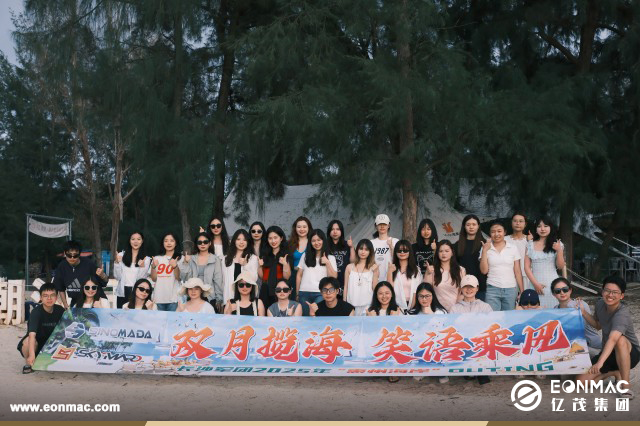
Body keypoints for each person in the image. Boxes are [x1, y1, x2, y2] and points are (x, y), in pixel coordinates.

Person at [577, 276, 639, 399]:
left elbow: (613, 339)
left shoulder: (622, 313)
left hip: (630, 353)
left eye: (615, 292)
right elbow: (597, 325)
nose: (610, 295)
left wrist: (600, 363)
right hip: (609, 352)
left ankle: (625, 386)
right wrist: (583, 312)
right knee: (580, 382)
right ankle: (615, 372)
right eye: (607, 290)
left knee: (620, 339)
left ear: (621, 296)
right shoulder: (600, 304)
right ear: (602, 291)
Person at [449, 275, 492, 385]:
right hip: (463, 343)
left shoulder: (485, 307)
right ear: (461, 289)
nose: (468, 289)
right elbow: (452, 329)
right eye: (465, 287)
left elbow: (491, 327)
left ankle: (481, 371)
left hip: (480, 343)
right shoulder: (455, 308)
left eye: (471, 287)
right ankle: (469, 369)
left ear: (477, 288)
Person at [18, 283, 65, 373]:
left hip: (51, 345)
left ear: (56, 297)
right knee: (27, 342)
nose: (49, 298)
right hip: (36, 345)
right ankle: (29, 363)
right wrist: (32, 355)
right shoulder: (36, 312)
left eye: (52, 295)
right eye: (45, 296)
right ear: (41, 298)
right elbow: (32, 335)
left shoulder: (60, 310)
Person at [407, 283, 448, 384]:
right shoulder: (412, 313)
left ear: (432, 296)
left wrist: (430, 314)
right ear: (417, 297)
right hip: (420, 345)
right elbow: (411, 333)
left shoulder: (441, 312)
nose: (424, 299)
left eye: (427, 296)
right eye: (421, 296)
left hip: (437, 345)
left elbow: (442, 331)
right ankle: (421, 368)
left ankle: (441, 371)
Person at [480, 221, 524, 311]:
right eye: (493, 232)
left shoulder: (513, 248)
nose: (496, 234)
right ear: (490, 234)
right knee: (493, 317)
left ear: (505, 232)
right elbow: (484, 271)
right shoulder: (485, 248)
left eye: (499, 231)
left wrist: (522, 290)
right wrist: (484, 251)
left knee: (509, 317)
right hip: (492, 288)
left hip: (510, 289)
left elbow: (517, 271)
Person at [52, 240, 108, 309]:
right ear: (65, 253)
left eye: (75, 255)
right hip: (77, 302)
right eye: (69, 255)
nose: (72, 258)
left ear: (79, 254)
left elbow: (105, 282)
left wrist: (102, 275)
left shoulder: (88, 264)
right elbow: (60, 288)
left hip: (95, 301)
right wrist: (65, 304)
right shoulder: (62, 266)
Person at [524, 217, 565, 309]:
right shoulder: (530, 244)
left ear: (551, 227)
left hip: (552, 283)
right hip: (534, 282)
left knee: (553, 310)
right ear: (536, 229)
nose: (542, 229)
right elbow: (526, 267)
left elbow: (560, 266)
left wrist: (559, 250)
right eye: (539, 226)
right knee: (534, 310)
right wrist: (536, 284)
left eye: (546, 226)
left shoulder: (557, 244)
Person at [551, 277, 602, 351]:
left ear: (570, 290)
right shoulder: (555, 310)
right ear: (553, 294)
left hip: (590, 345)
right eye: (557, 291)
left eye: (565, 289)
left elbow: (592, 326)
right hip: (570, 348)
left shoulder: (580, 304)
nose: (562, 293)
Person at [296, 229, 338, 316]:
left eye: (319, 240)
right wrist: (297, 293)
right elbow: (299, 275)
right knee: (305, 319)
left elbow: (334, 277)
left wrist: (327, 263)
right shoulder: (305, 256)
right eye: (313, 241)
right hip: (304, 292)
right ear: (310, 243)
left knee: (319, 317)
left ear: (323, 241)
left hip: (321, 293)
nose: (316, 243)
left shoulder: (330, 258)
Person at [179, 232, 224, 311]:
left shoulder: (215, 259)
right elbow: (184, 278)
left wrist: (219, 299)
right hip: (193, 296)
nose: (202, 244)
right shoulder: (191, 258)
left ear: (210, 243)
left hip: (210, 296)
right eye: (199, 242)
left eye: (205, 242)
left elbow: (218, 280)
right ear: (196, 244)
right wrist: (186, 263)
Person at [454, 215, 487, 301]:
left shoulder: (485, 244)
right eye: (468, 224)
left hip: (481, 287)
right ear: (464, 226)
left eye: (474, 224)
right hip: (463, 287)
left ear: (478, 226)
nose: (471, 227)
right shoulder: (457, 245)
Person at [114, 231, 151, 308]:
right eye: (133, 239)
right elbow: (117, 277)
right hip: (122, 292)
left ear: (142, 241)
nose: (135, 241)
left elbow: (141, 280)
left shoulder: (146, 259)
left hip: (137, 293)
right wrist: (117, 263)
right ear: (129, 241)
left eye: (138, 239)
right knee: (121, 314)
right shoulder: (121, 255)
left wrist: (142, 267)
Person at [425, 240, 465, 312]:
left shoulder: (461, 270)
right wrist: (427, 273)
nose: (443, 253)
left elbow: (462, 292)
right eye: (441, 251)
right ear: (437, 253)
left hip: (456, 309)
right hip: (437, 310)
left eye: (447, 251)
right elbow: (426, 290)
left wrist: (456, 308)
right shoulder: (432, 270)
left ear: (452, 253)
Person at [222, 229, 259, 305]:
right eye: (238, 239)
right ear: (234, 241)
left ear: (248, 242)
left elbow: (254, 278)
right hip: (229, 297)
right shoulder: (226, 258)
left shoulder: (253, 258)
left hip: (246, 300)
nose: (241, 242)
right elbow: (223, 280)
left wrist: (245, 265)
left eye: (244, 240)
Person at [258, 226, 292, 308]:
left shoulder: (286, 254)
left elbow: (287, 277)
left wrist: (285, 264)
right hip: (265, 290)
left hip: (280, 290)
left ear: (281, 238)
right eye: (270, 238)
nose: (273, 241)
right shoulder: (264, 254)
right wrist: (260, 266)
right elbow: (262, 277)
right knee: (263, 313)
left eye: (275, 237)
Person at [344, 239, 379, 316]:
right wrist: (344, 304)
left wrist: (375, 272)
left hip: (367, 306)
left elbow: (375, 288)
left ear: (370, 252)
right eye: (361, 249)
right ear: (357, 250)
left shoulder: (373, 267)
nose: (363, 252)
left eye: (366, 250)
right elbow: (345, 286)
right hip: (351, 306)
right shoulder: (349, 267)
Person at [387, 240, 423, 312]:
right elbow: (389, 289)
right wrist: (390, 272)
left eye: (405, 250)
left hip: (413, 307)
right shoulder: (392, 269)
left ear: (410, 252)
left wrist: (412, 309)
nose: (402, 253)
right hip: (396, 307)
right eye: (399, 251)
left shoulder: (416, 270)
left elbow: (417, 290)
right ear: (396, 252)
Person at [150, 232, 181, 311]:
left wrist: (175, 266)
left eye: (172, 241)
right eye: (166, 241)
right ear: (163, 243)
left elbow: (178, 278)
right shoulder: (157, 258)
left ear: (176, 243)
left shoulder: (180, 258)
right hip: (158, 299)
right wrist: (153, 267)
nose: (169, 243)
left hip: (173, 300)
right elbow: (154, 279)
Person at [505, 212, 532, 290]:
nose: (518, 223)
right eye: (515, 221)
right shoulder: (504, 240)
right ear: (511, 223)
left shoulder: (530, 239)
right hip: (509, 277)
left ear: (525, 224)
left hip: (527, 276)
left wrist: (530, 241)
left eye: (521, 221)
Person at [326, 219, 355, 290]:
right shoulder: (325, 246)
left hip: (345, 280)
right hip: (329, 280)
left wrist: (351, 247)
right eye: (332, 229)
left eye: (338, 229)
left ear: (341, 231)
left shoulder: (347, 244)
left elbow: (353, 262)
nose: (335, 232)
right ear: (329, 231)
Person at [371, 214, 399, 284]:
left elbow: (398, 259)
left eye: (384, 224)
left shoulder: (395, 241)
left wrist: (391, 247)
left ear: (388, 225)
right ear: (376, 226)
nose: (382, 226)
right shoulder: (371, 243)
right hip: (374, 277)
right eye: (380, 224)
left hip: (392, 278)